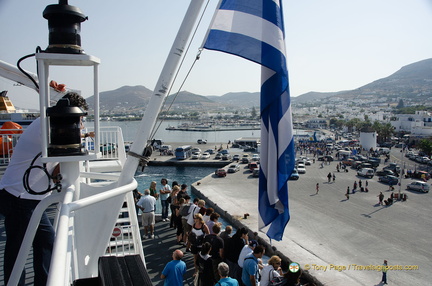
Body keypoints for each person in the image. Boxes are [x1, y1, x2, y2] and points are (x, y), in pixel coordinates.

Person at [0, 92, 88, 286]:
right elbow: (73, 150)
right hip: (19, 197)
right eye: (78, 118)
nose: (79, 123)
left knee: (46, 243)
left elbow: (56, 166)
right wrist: (83, 134)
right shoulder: (47, 126)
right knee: (18, 250)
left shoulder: (52, 126)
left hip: (31, 200)